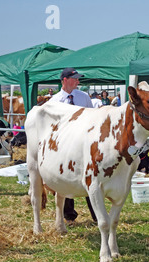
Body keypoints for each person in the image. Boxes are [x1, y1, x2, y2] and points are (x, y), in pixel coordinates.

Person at [49, 67, 96, 223]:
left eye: (78, 78)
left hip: (84, 144)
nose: (78, 81)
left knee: (91, 178)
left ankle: (96, 215)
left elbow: (93, 118)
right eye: (75, 78)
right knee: (66, 179)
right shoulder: (54, 102)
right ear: (65, 80)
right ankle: (69, 215)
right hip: (65, 147)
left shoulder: (84, 97)